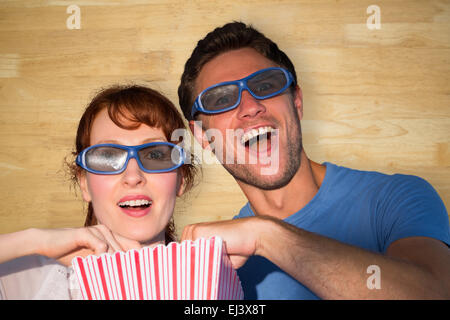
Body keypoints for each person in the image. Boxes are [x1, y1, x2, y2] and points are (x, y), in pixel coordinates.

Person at [177, 22, 450, 299]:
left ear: (296, 102)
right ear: (202, 136)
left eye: (266, 85)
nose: (250, 107)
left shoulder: (395, 199)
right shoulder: (220, 272)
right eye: (221, 100)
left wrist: (266, 237)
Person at [0, 85, 197, 299]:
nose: (133, 176)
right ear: (84, 183)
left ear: (181, 178)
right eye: (107, 157)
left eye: (156, 155)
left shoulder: (211, 279)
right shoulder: (26, 278)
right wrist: (34, 240)